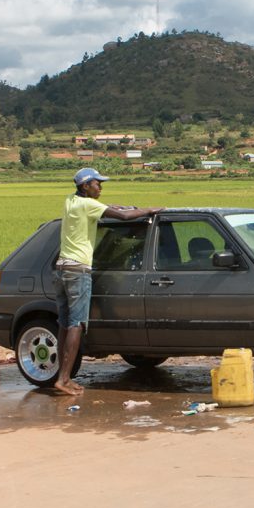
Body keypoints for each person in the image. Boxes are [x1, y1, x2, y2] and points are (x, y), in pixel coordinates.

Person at [53, 167, 164, 396]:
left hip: (62, 269)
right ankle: (64, 379)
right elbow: (122, 217)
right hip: (78, 271)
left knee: (64, 324)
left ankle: (60, 376)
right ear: (85, 186)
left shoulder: (71, 201)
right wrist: (149, 210)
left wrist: (119, 207)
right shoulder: (89, 206)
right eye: (97, 184)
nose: (100, 187)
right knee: (77, 324)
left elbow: (109, 209)